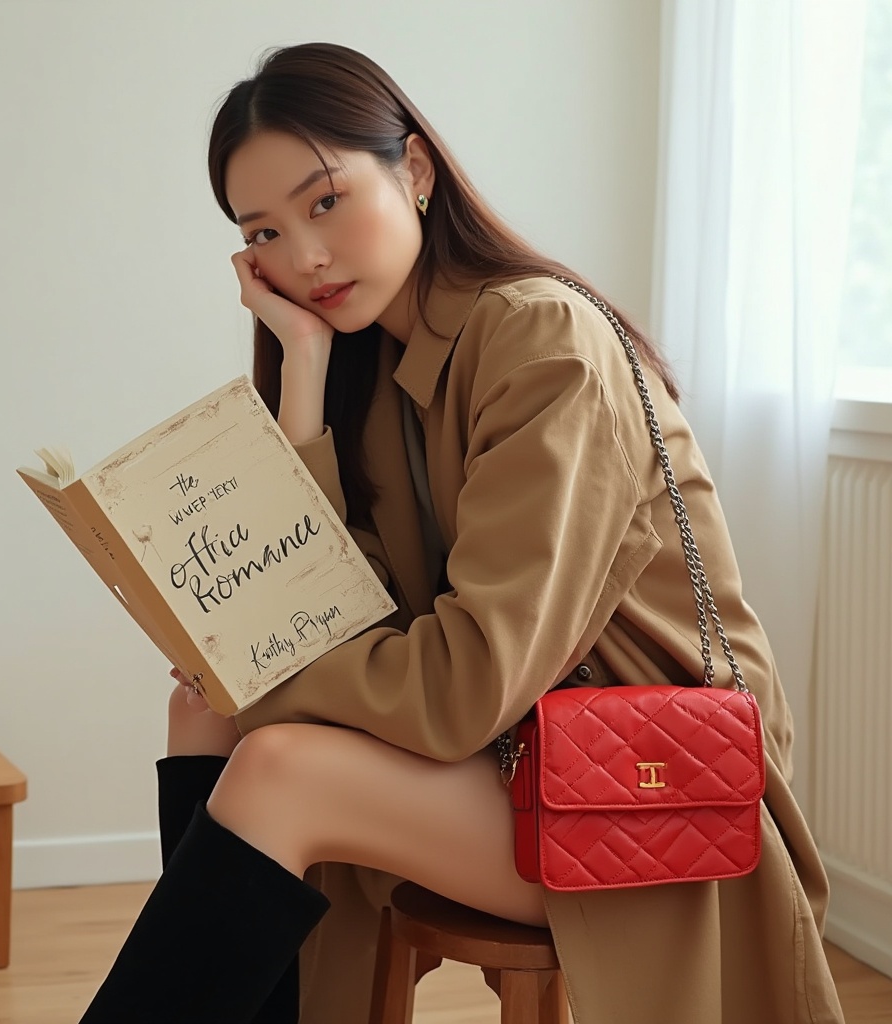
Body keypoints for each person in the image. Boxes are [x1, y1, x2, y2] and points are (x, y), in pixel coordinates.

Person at [80, 42, 844, 1024]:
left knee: (275, 762)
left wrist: (266, 667)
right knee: (204, 714)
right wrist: (303, 379)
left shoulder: (540, 340)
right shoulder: (369, 371)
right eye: (262, 231)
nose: (302, 256)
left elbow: (459, 688)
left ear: (415, 169)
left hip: (641, 794)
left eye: (324, 202)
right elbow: (341, 607)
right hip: (516, 755)